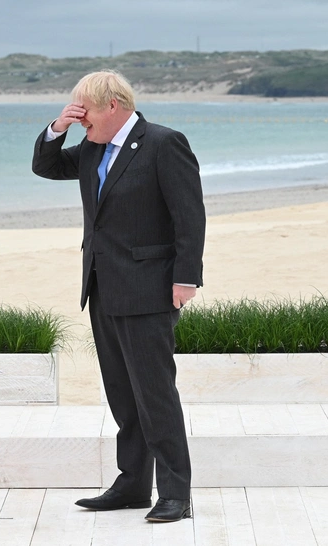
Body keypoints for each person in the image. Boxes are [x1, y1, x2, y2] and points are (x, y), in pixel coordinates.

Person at [32, 70, 205, 523]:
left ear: (113, 105)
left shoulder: (164, 144)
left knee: (155, 395)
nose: (80, 117)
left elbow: (189, 216)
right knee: (122, 396)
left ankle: (175, 493)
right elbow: (46, 167)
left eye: (83, 109)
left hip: (149, 289)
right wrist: (58, 128)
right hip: (102, 286)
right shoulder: (91, 148)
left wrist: (186, 278)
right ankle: (132, 485)